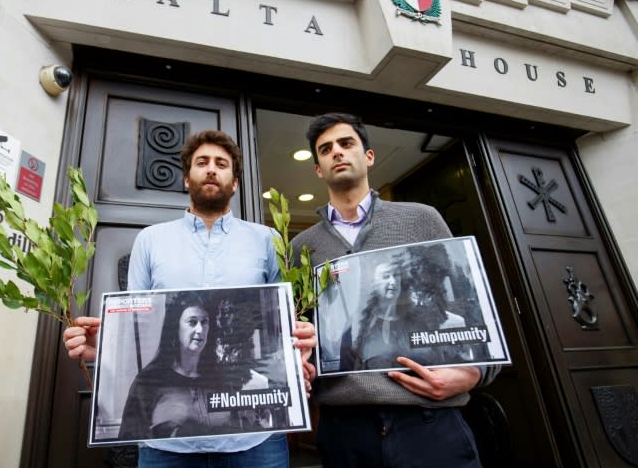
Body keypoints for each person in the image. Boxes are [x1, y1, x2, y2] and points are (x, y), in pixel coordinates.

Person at [63, 129, 316, 468]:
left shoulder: (267, 240)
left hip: (254, 442)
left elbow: (280, 325)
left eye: (221, 164)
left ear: (235, 182)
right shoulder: (150, 241)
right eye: (202, 162)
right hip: (167, 449)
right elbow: (137, 319)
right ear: (186, 179)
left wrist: (300, 348)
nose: (211, 169)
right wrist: (107, 344)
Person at [292, 112, 500, 467]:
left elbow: (470, 309)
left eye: (346, 143)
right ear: (318, 169)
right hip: (345, 429)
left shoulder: (422, 218)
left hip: (429, 421)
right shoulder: (300, 246)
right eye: (326, 149)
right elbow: (303, 336)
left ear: (368, 156)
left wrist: (475, 373)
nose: (337, 153)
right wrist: (302, 364)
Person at [119, 292, 271, 440]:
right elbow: (128, 440)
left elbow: (239, 430)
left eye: (204, 322)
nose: (200, 329)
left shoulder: (222, 378)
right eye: (192, 322)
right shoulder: (149, 381)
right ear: (175, 328)